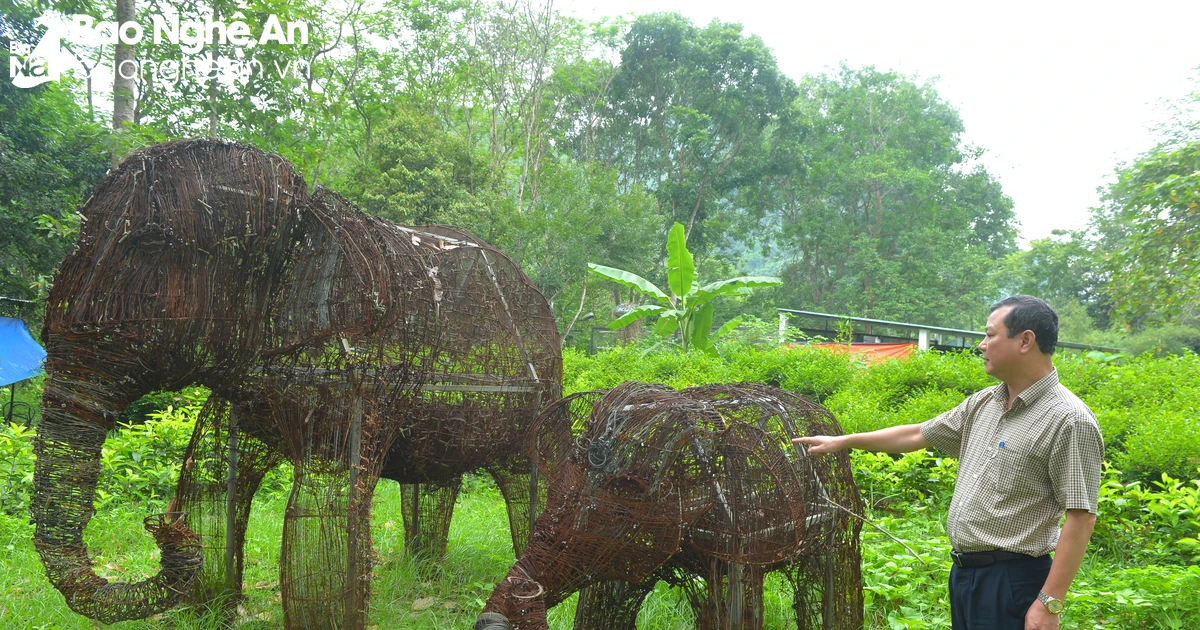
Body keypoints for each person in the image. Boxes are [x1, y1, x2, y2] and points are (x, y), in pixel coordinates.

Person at [795, 295, 1103, 630]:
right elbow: (916, 435)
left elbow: (1081, 518)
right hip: (965, 574)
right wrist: (844, 442)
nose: (982, 345)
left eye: (990, 335)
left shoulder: (1069, 420)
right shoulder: (986, 401)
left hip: (1014, 580)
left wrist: (1049, 604)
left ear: (1025, 340)